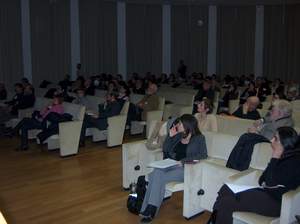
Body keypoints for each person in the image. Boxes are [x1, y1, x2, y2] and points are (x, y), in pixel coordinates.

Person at [209, 127, 300, 224]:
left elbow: (269, 183)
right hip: (266, 193)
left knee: (225, 203)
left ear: (284, 142)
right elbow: (262, 180)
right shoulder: (281, 157)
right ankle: (215, 220)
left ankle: (215, 220)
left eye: (275, 138)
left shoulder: (294, 162)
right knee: (225, 189)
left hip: (277, 203)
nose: (271, 140)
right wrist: (275, 158)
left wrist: (275, 156)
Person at [139, 114, 208, 223]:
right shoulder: (178, 135)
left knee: (156, 175)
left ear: (187, 125)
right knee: (156, 172)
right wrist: (170, 136)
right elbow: (166, 150)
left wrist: (183, 161)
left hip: (186, 169)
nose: (178, 125)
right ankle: (150, 208)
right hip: (171, 164)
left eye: (180, 123)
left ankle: (149, 209)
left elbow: (203, 155)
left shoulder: (199, 138)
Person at [226, 99, 294, 171]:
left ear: (280, 113)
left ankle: (236, 166)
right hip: (261, 138)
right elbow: (269, 118)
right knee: (246, 137)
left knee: (246, 137)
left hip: (266, 143)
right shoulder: (281, 118)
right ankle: (234, 164)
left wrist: (256, 132)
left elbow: (274, 139)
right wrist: (262, 120)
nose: (270, 112)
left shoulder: (284, 125)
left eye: (273, 111)